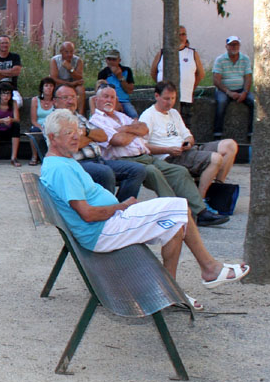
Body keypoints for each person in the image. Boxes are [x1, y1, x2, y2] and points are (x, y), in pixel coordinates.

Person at [40, 108, 249, 310]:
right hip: (102, 231)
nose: (76, 136)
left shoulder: (63, 161)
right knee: (180, 208)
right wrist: (121, 206)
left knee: (175, 224)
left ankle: (169, 292)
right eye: (68, 133)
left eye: (77, 131)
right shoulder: (60, 169)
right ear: (52, 137)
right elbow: (87, 214)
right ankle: (209, 268)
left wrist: (120, 208)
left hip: (108, 224)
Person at [89, 85, 228, 226]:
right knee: (153, 172)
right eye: (105, 97)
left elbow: (144, 129)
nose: (109, 100)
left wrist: (124, 129)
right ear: (96, 100)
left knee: (179, 171)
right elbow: (118, 140)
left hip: (144, 156)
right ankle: (175, 213)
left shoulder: (120, 116)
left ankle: (200, 212)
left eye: (112, 97)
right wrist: (134, 131)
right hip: (124, 161)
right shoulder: (96, 120)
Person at [139, 81, 237, 201]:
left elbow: (188, 135)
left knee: (230, 145)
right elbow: (142, 145)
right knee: (215, 159)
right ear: (157, 96)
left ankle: (218, 187)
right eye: (166, 99)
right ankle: (200, 200)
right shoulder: (148, 116)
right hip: (169, 157)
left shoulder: (174, 113)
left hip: (187, 151)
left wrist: (188, 142)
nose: (170, 102)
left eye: (173, 98)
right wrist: (168, 150)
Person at [50, 86, 146, 201]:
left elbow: (103, 136)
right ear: (55, 101)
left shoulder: (79, 117)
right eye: (65, 98)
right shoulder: (54, 120)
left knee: (138, 170)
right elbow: (72, 145)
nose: (70, 101)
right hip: (76, 163)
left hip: (99, 160)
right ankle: (108, 207)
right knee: (104, 172)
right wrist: (92, 136)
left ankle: (121, 207)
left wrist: (86, 132)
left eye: (73, 97)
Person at [152, 25, 204, 126]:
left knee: (184, 127)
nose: (181, 37)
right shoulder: (162, 53)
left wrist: (191, 87)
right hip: (165, 100)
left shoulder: (192, 53)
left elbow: (200, 74)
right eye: (178, 34)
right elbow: (153, 72)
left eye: (183, 34)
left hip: (185, 98)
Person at [212, 35, 255, 140]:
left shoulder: (245, 59)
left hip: (241, 89)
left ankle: (252, 133)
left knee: (254, 102)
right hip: (224, 90)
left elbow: (248, 78)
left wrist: (245, 92)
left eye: (236, 44)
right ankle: (217, 133)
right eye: (231, 45)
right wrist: (229, 92)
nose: (234, 47)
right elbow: (216, 80)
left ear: (239, 46)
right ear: (226, 46)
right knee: (221, 102)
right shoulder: (220, 60)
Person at [0, 34, 23, 112]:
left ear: (9, 44)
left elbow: (16, 72)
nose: (5, 45)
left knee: (18, 103)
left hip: (12, 90)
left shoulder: (15, 57)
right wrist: (10, 72)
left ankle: (11, 119)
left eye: (6, 43)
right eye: (2, 43)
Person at [98, 49, 138, 118]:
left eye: (114, 59)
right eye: (109, 59)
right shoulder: (103, 73)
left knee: (133, 115)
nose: (111, 62)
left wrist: (120, 77)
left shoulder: (127, 70)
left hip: (124, 101)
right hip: (109, 101)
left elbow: (130, 90)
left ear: (119, 60)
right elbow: (100, 92)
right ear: (106, 60)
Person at [0, 84, 21, 166]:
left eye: (8, 93)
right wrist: (3, 120)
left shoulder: (14, 103)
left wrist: (10, 119)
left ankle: (14, 157)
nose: (6, 96)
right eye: (3, 93)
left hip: (9, 128)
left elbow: (17, 119)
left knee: (16, 125)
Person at [28, 76, 57, 165]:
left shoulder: (56, 101)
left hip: (52, 125)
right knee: (33, 131)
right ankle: (34, 156)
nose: (49, 88)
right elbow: (33, 120)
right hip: (39, 125)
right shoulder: (35, 100)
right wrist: (42, 128)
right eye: (46, 85)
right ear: (42, 88)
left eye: (51, 86)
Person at [49, 41, 84, 112]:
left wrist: (70, 69)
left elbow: (79, 78)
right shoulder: (55, 60)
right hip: (59, 84)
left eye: (71, 52)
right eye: (66, 52)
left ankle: (80, 113)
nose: (69, 54)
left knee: (80, 89)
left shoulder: (78, 60)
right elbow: (54, 78)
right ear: (61, 52)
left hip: (73, 84)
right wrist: (69, 84)